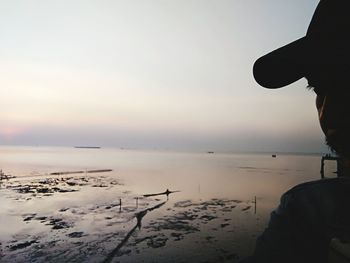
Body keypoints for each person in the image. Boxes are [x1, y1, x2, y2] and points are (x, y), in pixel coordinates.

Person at [244, 1, 350, 262]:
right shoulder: (306, 217)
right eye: (318, 89)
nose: (328, 113)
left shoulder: (309, 213)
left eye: (345, 82)